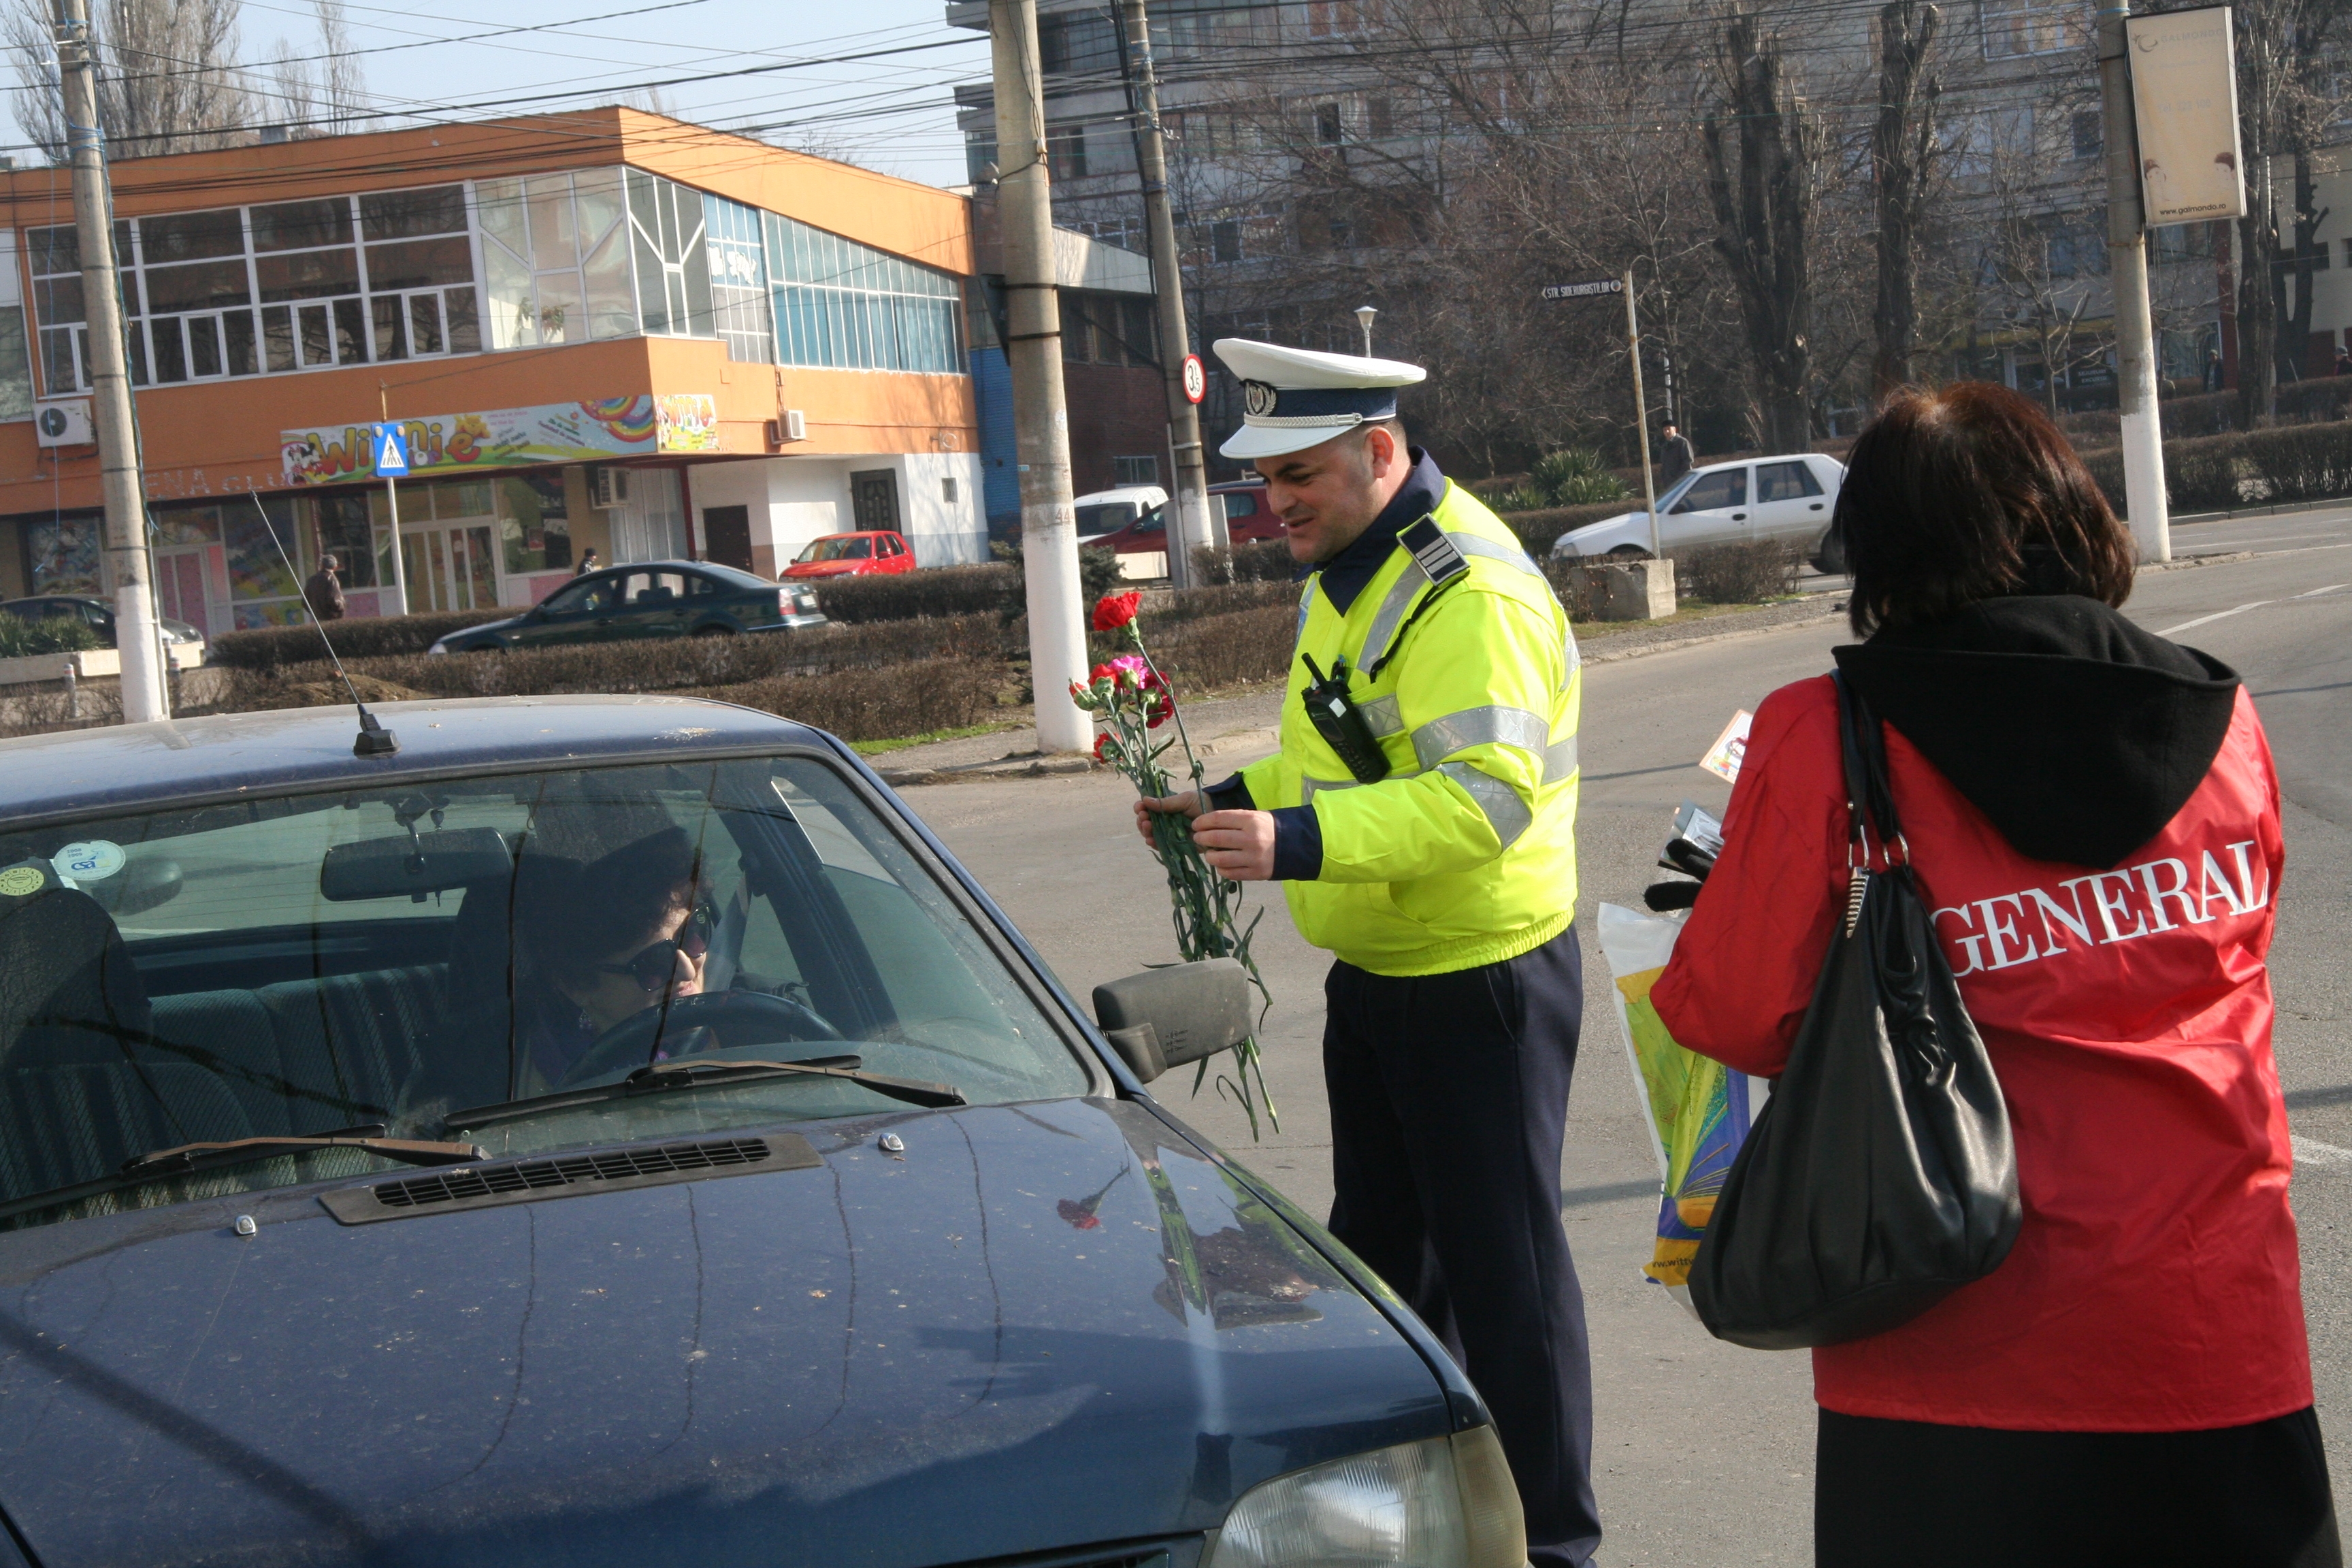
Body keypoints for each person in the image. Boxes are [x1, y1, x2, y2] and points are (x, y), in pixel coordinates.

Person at [1650, 382, 2335, 1567]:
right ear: (2076, 514)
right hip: (2213, 1322)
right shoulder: (2223, 717)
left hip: (1947, 1342)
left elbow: (1735, 1012)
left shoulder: (1825, 734)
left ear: (1880, 552)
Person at [1137, 338, 1599, 1566]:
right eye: (1264, 478)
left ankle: (1555, 1545)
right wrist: (1231, 799)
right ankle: (1417, 1524)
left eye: (1297, 474)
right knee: (1389, 1273)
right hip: (1387, 973)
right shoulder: (1351, 570)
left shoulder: (1470, 594)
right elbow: (1349, 757)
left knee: (1507, 1285)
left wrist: (1294, 840)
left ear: (1379, 451)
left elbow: (1485, 800)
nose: (1273, 502)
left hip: (1481, 977)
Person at [512, 828, 710, 1094]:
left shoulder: (751, 1022)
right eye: (654, 962)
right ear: (577, 986)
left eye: (692, 937)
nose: (687, 970)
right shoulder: (546, 1087)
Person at [301, 553, 344, 621]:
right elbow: (334, 600)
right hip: (332, 618)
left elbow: (305, 602)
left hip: (318, 619)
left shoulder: (311, 580)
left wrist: (315, 612)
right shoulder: (332, 579)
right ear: (335, 567)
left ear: (321, 566)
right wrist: (341, 609)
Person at [1658, 421, 1695, 486]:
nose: (1667, 432)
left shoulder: (1682, 442)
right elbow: (1664, 464)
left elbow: (1688, 461)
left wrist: (1680, 477)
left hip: (1682, 481)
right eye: (1665, 430)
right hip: (1668, 482)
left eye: (1669, 429)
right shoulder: (1664, 446)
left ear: (1674, 429)